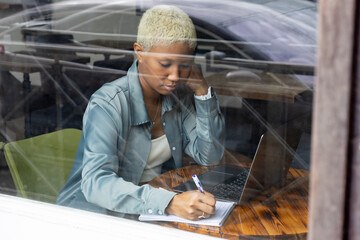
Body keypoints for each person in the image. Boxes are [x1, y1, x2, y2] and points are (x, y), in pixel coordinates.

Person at [56, 5, 225, 221]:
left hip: (145, 212)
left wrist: (202, 91)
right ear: (140, 52)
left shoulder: (176, 99)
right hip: (92, 218)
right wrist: (170, 203)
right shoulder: (109, 104)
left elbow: (209, 156)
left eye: (184, 65)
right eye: (165, 64)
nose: (175, 75)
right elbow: (96, 183)